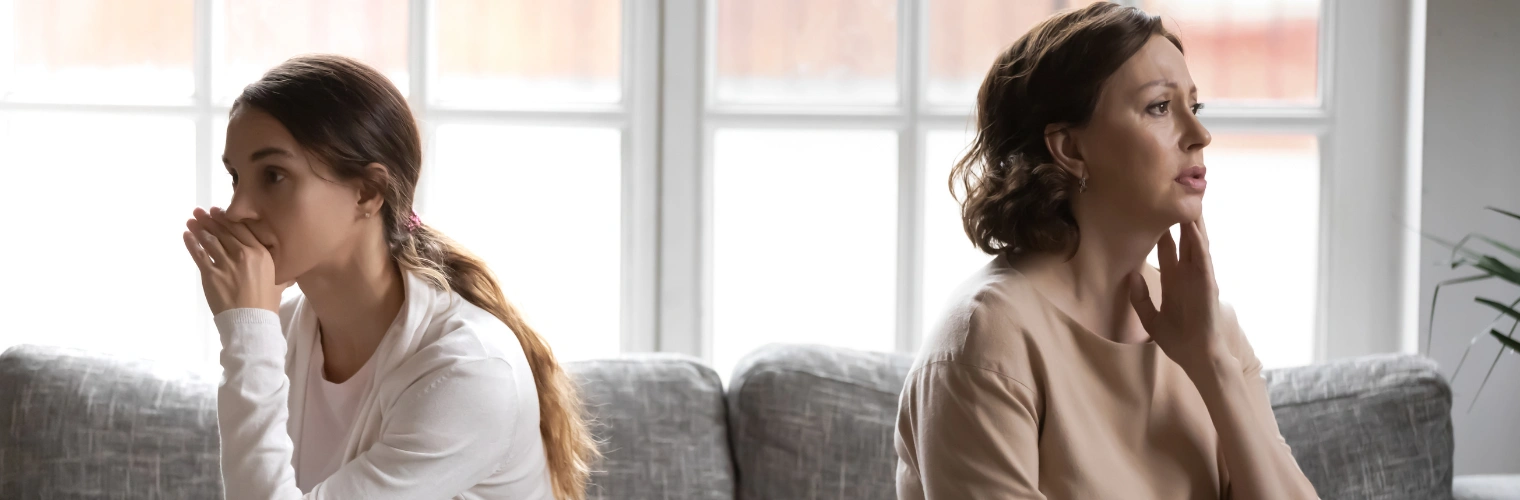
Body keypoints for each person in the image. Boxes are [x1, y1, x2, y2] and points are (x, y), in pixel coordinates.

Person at [894, 4, 1318, 499]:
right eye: (1159, 107)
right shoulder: (986, 340)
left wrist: (1213, 366)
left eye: (1194, 107)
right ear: (1070, 149)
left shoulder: (1209, 325)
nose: (1200, 135)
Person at [182, 54, 597, 500]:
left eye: (274, 176)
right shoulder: (281, 333)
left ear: (367, 192)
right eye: (235, 178)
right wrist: (255, 333)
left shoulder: (467, 371)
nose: (237, 209)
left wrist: (247, 333)